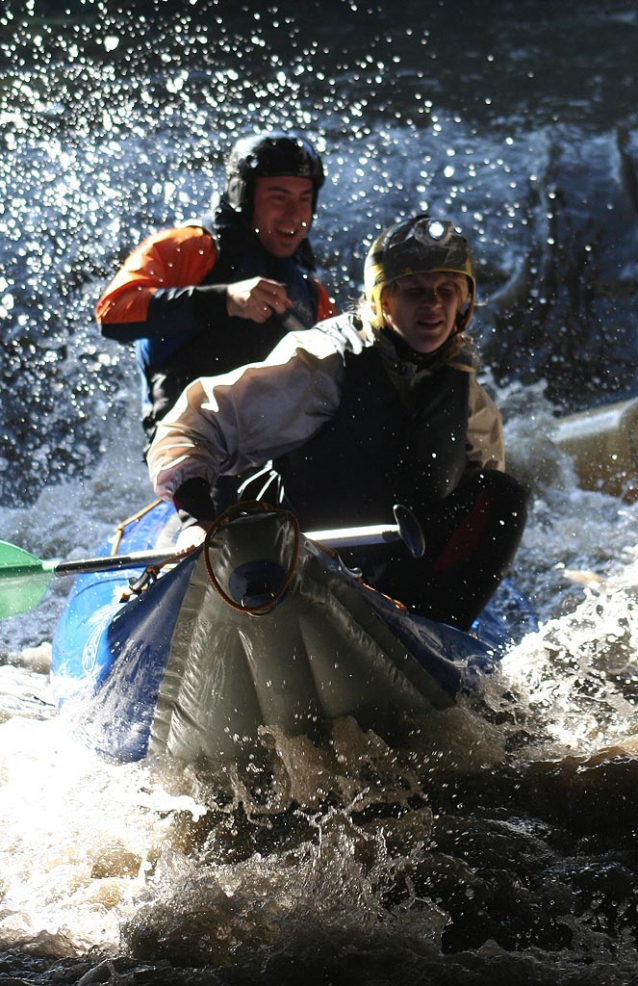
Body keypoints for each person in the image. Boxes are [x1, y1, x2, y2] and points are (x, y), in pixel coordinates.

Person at [147, 214, 527, 630]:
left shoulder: (467, 393)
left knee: (503, 497)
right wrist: (195, 521)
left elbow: (475, 516)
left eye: (446, 292)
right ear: (382, 300)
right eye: (414, 291)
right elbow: (190, 425)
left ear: (464, 304)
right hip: (300, 565)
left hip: (398, 584)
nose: (433, 305)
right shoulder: (322, 362)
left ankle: (435, 638)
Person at [96, 130, 336, 448]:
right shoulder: (187, 247)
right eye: (279, 197)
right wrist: (225, 300)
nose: (294, 215)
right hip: (186, 450)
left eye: (304, 199)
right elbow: (112, 314)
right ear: (244, 197)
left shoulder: (308, 292)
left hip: (266, 452)